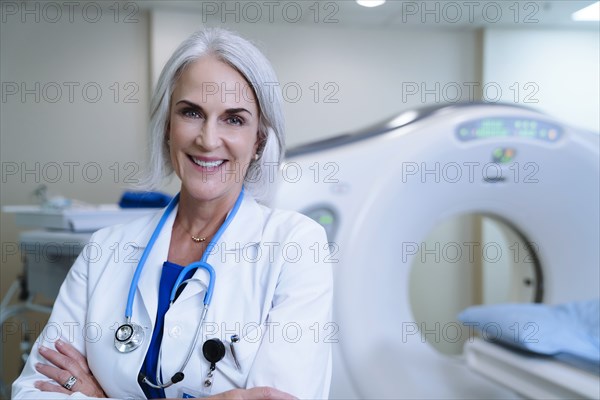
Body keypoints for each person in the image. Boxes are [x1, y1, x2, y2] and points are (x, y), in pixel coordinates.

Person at [12, 28, 333, 400]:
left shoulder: (295, 246)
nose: (208, 139)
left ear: (259, 139)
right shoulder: (104, 249)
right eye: (192, 112)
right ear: (167, 126)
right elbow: (34, 392)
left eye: (234, 119)